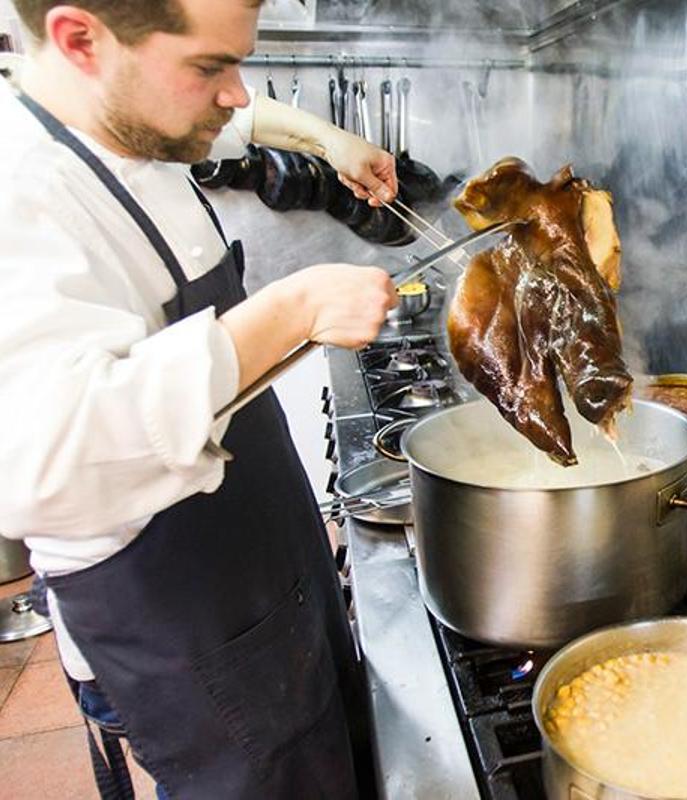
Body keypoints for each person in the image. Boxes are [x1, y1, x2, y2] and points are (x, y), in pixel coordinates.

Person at [0, 1, 401, 797]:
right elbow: (41, 465)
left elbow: (242, 124)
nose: (237, 93)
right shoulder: (21, 192)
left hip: (265, 558)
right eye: (212, 68)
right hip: (181, 622)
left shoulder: (122, 119)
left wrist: (328, 141)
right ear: (81, 41)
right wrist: (290, 311)